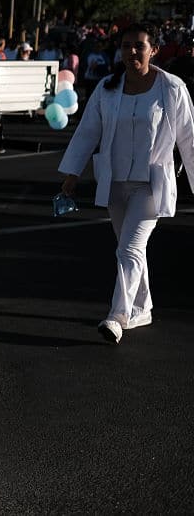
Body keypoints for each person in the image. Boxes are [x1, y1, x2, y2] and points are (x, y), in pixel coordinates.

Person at [59, 23, 194, 344]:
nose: (132, 51)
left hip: (151, 184)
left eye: (140, 46)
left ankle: (117, 316)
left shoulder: (172, 88)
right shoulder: (107, 87)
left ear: (154, 50)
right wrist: (72, 173)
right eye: (126, 46)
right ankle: (142, 306)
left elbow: (189, 139)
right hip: (115, 183)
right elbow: (88, 131)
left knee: (130, 249)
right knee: (129, 250)